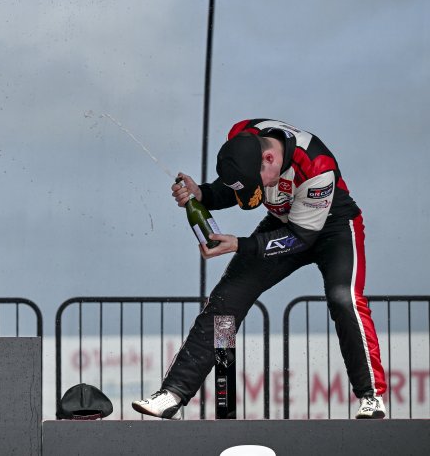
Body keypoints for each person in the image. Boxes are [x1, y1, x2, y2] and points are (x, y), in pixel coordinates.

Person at [132, 118, 387, 419]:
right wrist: (203, 194)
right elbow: (238, 189)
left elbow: (300, 238)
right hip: (282, 221)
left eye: (262, 181)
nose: (263, 188)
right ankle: (176, 393)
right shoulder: (242, 137)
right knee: (226, 303)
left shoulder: (317, 166)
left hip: (333, 229)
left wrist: (240, 244)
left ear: (269, 158)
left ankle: (371, 396)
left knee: (343, 298)